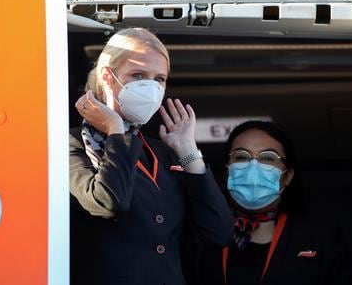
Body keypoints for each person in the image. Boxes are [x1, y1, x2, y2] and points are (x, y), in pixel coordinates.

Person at [69, 28, 234, 285]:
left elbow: (218, 232)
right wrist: (115, 131)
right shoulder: (70, 144)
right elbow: (106, 203)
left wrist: (188, 151)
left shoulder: (163, 152)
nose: (152, 87)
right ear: (108, 77)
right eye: (138, 75)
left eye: (159, 78)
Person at [193, 120, 352, 285]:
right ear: (227, 171)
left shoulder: (320, 234)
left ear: (288, 176)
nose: (253, 167)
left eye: (268, 158)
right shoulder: (200, 231)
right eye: (242, 157)